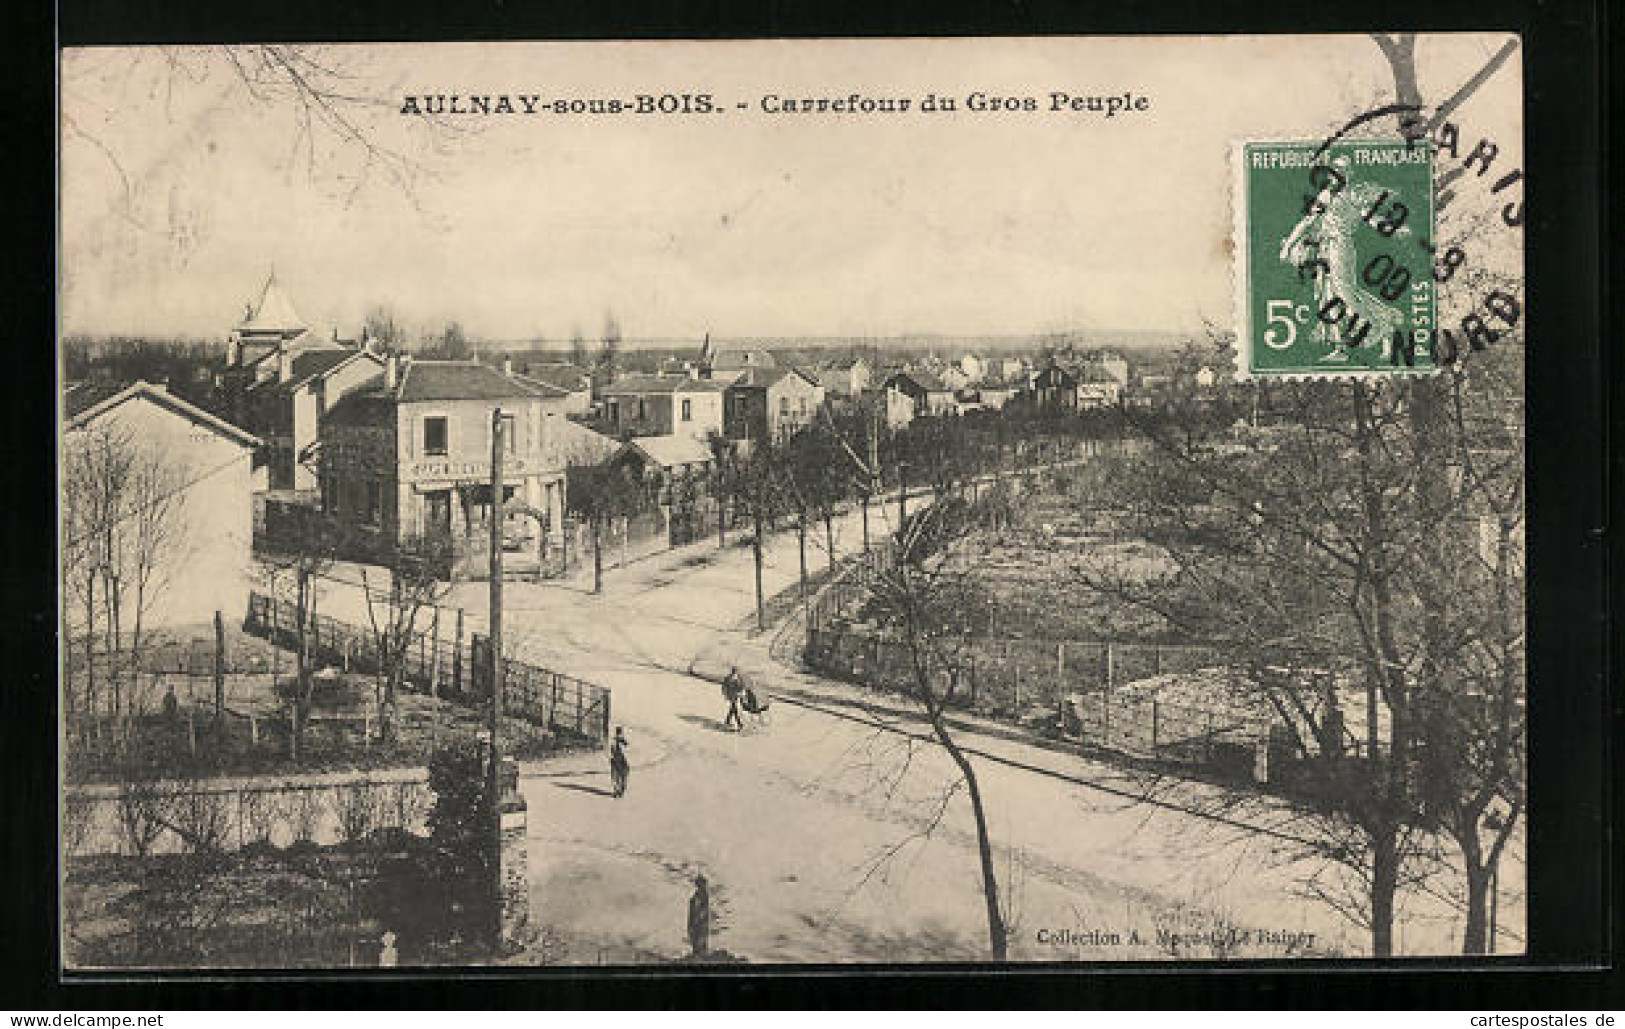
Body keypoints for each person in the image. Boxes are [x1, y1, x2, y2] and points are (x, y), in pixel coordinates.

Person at [687, 874, 711, 958]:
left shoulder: (704, 896)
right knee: (696, 943)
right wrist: (690, 926)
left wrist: (699, 918)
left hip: (701, 924)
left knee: (701, 942)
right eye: (701, 884)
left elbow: (704, 911)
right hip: (696, 924)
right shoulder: (694, 897)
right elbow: (691, 913)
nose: (703, 886)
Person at [609, 726, 630, 798]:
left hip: (619, 758)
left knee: (618, 774)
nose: (619, 735)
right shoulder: (616, 741)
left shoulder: (619, 740)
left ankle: (618, 790)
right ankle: (618, 790)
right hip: (618, 758)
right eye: (619, 733)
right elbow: (613, 750)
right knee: (619, 774)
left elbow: (625, 747)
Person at [722, 667, 745, 732]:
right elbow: (724, 687)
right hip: (731, 697)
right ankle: (739, 724)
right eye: (734, 672)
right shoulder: (728, 678)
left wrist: (741, 693)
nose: (734, 673)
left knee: (733, 709)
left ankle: (727, 721)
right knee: (734, 710)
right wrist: (725, 695)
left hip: (736, 696)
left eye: (735, 672)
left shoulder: (738, 679)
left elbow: (742, 687)